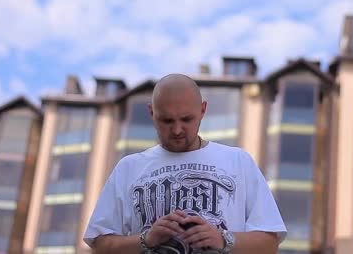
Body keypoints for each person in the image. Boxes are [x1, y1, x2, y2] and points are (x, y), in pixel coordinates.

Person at [84, 73, 286, 253]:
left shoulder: (238, 161)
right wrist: (146, 240)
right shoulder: (128, 168)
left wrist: (223, 239)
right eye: (167, 121)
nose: (177, 130)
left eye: (186, 119)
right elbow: (100, 246)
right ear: (152, 113)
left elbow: (269, 244)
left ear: (203, 110)